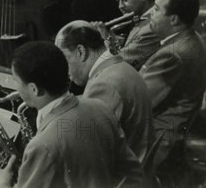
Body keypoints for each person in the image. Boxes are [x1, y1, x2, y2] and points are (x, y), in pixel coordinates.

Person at [0, 41, 144, 188]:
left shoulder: (41, 145)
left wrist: (3, 183)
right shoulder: (99, 107)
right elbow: (132, 174)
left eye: (16, 81)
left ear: (33, 89)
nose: (16, 88)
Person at [55, 20, 154, 162]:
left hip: (121, 179)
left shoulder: (103, 84)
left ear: (81, 52)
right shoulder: (117, 67)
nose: (63, 70)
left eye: (64, 60)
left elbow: (89, 151)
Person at [139, 0, 206, 167]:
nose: (148, 15)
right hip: (172, 135)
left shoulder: (173, 54)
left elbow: (138, 101)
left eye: (155, 9)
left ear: (174, 20)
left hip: (157, 142)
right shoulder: (192, 38)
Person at [93, 0, 160, 70]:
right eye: (118, 1)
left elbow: (118, 64)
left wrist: (106, 38)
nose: (120, 6)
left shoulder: (153, 26)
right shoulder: (138, 17)